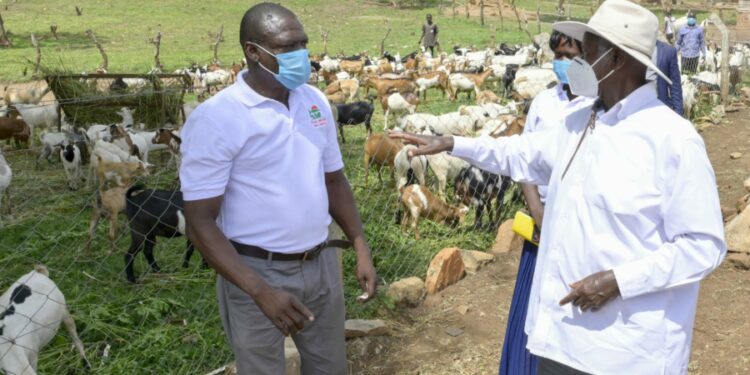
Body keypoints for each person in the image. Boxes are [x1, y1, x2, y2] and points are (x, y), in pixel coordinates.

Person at [391, 1, 725, 374]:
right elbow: (518, 154)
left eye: (589, 51)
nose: (579, 61)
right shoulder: (578, 121)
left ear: (615, 59)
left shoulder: (671, 140)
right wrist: (453, 143)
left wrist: (618, 281)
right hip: (562, 340)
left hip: (626, 352)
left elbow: (704, 245)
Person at [180, 3, 378, 375]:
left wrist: (359, 243)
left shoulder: (314, 101)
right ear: (253, 51)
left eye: (303, 44)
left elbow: (333, 179)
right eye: (288, 48)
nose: (302, 56)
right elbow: (200, 223)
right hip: (255, 272)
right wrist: (259, 291)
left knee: (330, 367)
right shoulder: (218, 119)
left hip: (321, 265)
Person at [498, 29, 582, 375]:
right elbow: (523, 162)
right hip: (542, 229)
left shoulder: (597, 104)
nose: (562, 63)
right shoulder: (544, 104)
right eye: (558, 56)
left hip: (579, 230)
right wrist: (538, 212)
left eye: (571, 56)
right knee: (534, 310)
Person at [648, 39, 683, 116]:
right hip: (638, 108)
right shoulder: (630, 49)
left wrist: (678, 113)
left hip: (661, 106)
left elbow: (675, 85)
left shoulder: (668, 51)